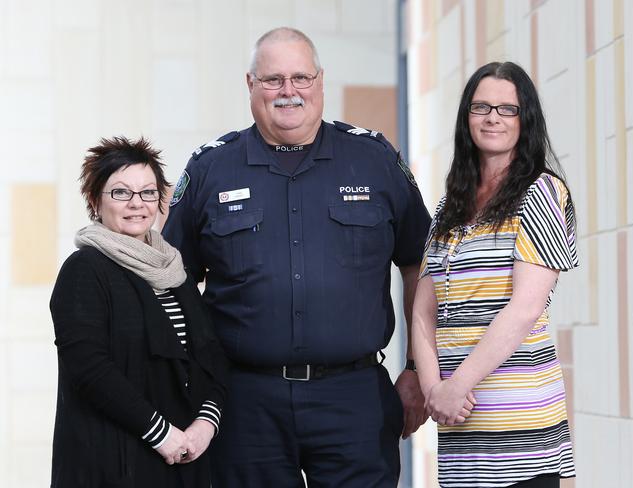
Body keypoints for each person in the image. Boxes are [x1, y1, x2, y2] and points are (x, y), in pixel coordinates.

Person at [162, 27, 431, 487]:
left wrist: (417, 370)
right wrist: (188, 387)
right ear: (250, 85)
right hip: (245, 402)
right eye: (273, 80)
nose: (289, 91)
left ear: (320, 81)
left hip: (354, 398)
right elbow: (172, 281)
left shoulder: (374, 159)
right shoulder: (211, 168)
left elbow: (420, 266)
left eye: (301, 77)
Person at [412, 61, 578, 488]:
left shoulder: (541, 192)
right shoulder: (450, 204)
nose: (492, 118)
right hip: (460, 427)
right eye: (481, 106)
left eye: (507, 109)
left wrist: (456, 386)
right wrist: (434, 390)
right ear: (466, 116)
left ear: (526, 120)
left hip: (519, 430)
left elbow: (525, 309)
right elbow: (423, 311)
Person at [49, 136, 229, 487]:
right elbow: (89, 369)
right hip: (114, 461)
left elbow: (210, 355)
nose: (137, 204)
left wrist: (206, 424)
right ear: (94, 199)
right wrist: (161, 434)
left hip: (183, 457)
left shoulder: (174, 269)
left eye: (148, 192)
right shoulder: (84, 269)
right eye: (120, 192)